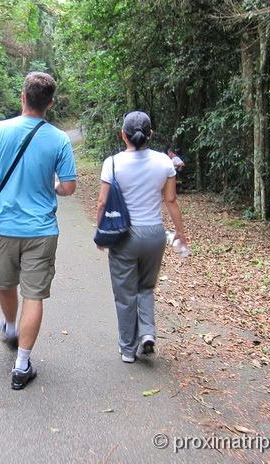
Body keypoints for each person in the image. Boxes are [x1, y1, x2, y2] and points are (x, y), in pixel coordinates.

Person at [0, 72, 77, 390]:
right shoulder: (59, 139)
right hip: (42, 229)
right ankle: (22, 365)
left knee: (6, 285)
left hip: (4, 226)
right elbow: (69, 187)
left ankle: (9, 326)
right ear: (49, 103)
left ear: (22, 96)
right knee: (33, 295)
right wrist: (54, 188)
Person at [97, 111, 188, 363]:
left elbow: (102, 202)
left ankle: (128, 349)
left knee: (125, 294)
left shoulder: (112, 163)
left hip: (124, 236)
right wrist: (179, 232)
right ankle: (147, 333)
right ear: (150, 134)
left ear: (123, 135)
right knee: (145, 287)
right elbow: (170, 200)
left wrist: (101, 234)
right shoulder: (164, 162)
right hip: (155, 235)